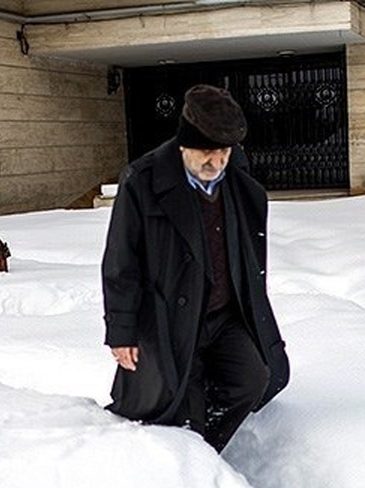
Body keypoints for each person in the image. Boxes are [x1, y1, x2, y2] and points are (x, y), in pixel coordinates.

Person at [100, 84, 290, 452]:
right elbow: (121, 260)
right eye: (206, 152)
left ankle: (208, 452)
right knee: (179, 404)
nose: (215, 162)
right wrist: (122, 331)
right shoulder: (143, 181)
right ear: (184, 144)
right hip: (168, 319)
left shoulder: (236, 178)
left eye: (223, 152)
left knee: (252, 380)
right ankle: (189, 466)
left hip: (225, 314)